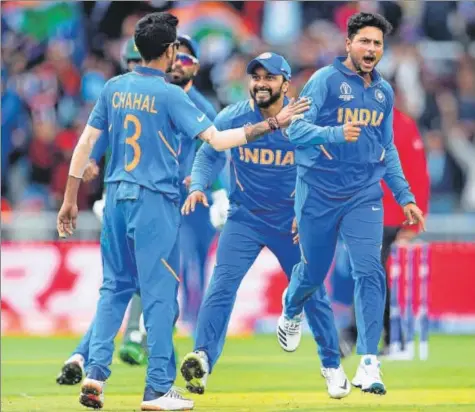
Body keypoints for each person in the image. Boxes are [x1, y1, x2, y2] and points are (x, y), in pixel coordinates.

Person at [56, 11, 310, 410]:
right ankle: (157, 390)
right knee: (160, 298)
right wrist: (272, 124)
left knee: (114, 289)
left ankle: (95, 374)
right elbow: (219, 140)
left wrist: (70, 199)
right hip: (154, 202)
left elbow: (85, 144)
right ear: (170, 52)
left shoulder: (113, 88)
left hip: (115, 196)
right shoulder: (173, 95)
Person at [179, 52, 350, 399]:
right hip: (246, 218)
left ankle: (332, 366)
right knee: (221, 286)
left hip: (292, 222)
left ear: (286, 84)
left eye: (269, 78)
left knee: (313, 292)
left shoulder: (308, 119)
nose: (261, 83)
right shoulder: (234, 115)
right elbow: (209, 153)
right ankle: (203, 358)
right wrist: (198, 185)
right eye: (255, 77)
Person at [278, 12, 425, 396]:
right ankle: (291, 308)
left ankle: (368, 363)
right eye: (365, 41)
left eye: (377, 43)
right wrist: (335, 133)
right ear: (348, 43)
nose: (371, 49)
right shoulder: (325, 81)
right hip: (319, 191)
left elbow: (387, 148)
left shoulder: (384, 93)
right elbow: (294, 129)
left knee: (370, 271)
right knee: (312, 274)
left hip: (364, 193)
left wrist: (405, 196)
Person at [338, 104, 430, 357]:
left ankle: (354, 334)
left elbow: (418, 174)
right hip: (362, 214)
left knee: (370, 274)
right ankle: (390, 337)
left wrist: (412, 224)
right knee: (374, 276)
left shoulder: (403, 124)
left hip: (391, 217)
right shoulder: (357, 122)